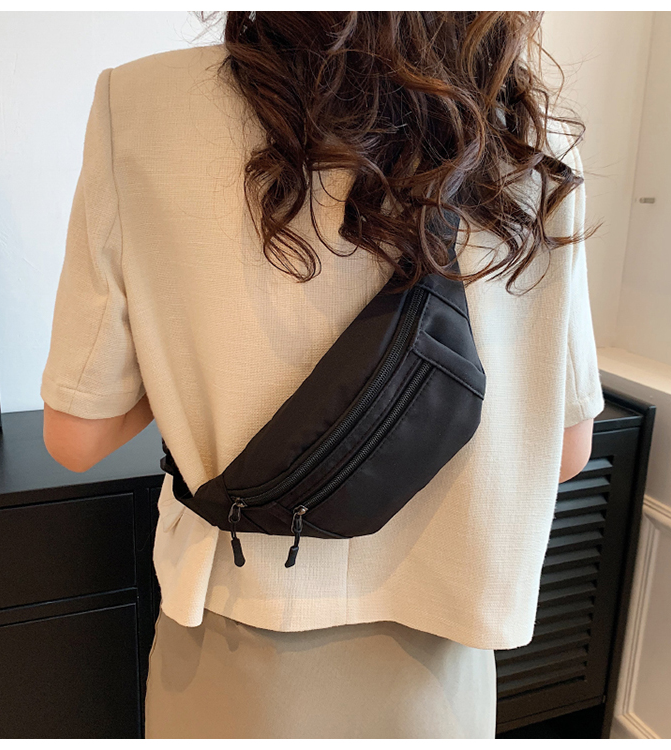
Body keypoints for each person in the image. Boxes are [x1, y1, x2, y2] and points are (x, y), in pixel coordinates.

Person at [40, 12, 603, 739]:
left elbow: (76, 438)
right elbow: (567, 451)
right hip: (443, 652)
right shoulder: (526, 132)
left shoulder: (141, 103)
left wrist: (181, 356)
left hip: (238, 637)